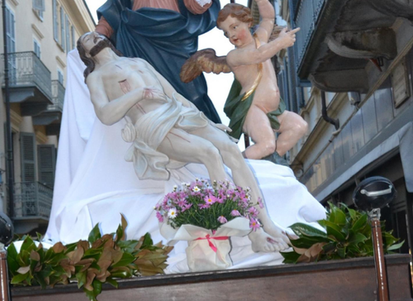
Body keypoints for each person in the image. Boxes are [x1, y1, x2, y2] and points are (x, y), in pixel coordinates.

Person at [77, 31, 290, 252]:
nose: (93, 36)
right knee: (209, 153)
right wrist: (138, 94)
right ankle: (253, 233)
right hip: (153, 123)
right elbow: (105, 114)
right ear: (87, 54)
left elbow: (172, 93)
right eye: (87, 39)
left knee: (230, 149)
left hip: (179, 112)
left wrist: (207, 120)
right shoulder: (97, 76)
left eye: (94, 34)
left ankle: (268, 223)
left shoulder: (138, 61)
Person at [180, 0, 308, 161]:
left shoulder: (260, 38)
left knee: (299, 126)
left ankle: (271, 162)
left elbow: (268, 19)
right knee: (266, 144)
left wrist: (262, 0)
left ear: (248, 22)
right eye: (226, 32)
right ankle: (233, 165)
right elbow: (258, 56)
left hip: (273, 110)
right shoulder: (234, 56)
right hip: (252, 109)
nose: (231, 35)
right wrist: (281, 42)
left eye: (234, 27)